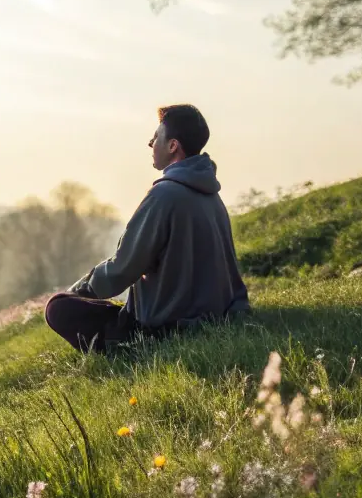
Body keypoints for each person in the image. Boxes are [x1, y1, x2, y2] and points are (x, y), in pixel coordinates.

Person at [44, 103, 250, 354]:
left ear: (173, 146)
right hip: (213, 316)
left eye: (155, 138)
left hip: (166, 329)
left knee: (58, 308)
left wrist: (78, 291)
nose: (150, 144)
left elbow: (124, 266)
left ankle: (128, 350)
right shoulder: (211, 195)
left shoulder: (164, 195)